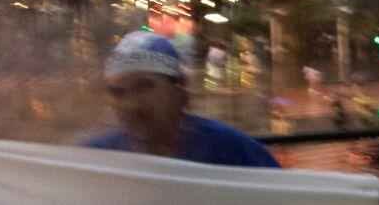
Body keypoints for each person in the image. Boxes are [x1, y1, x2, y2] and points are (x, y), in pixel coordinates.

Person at [84, 31, 279, 167]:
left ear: (179, 92)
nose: (131, 105)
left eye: (144, 87)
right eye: (118, 92)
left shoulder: (234, 153)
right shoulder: (96, 159)